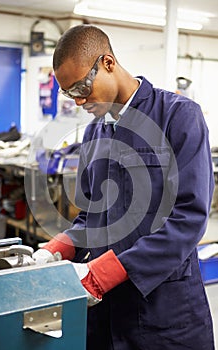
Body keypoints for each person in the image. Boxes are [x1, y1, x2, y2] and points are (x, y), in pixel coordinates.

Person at [32, 24, 215, 350]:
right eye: (70, 93)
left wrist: (106, 273)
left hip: (165, 313)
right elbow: (91, 217)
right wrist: (58, 247)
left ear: (108, 63)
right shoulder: (93, 134)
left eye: (81, 88)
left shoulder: (178, 117)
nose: (79, 101)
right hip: (104, 313)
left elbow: (188, 219)